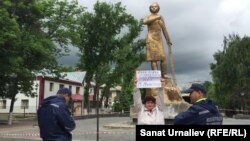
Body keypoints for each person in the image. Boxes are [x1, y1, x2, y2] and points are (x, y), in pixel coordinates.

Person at [143, 2, 172, 78]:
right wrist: (156, 17)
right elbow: (145, 22)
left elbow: (164, 29)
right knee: (153, 58)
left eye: (155, 7)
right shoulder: (148, 17)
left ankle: (164, 74)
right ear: (150, 8)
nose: (154, 8)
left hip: (158, 38)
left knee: (162, 57)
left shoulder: (160, 17)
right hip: (151, 37)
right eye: (152, 7)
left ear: (158, 8)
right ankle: (155, 75)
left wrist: (168, 39)